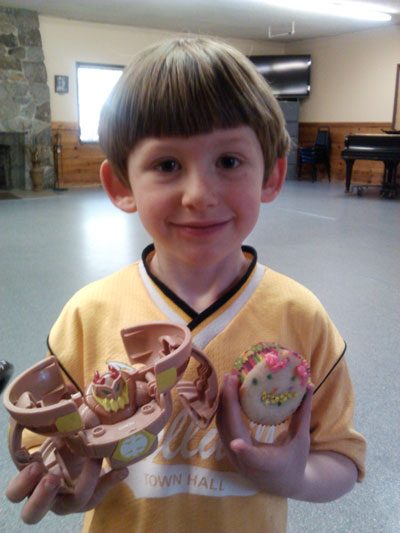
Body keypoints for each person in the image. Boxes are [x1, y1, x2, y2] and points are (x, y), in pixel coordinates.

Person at [6, 37, 366, 532]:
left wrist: (295, 477)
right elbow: (47, 449)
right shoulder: (88, 314)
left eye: (229, 162)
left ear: (271, 176)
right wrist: (63, 486)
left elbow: (342, 460)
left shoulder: (300, 317)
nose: (199, 194)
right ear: (122, 187)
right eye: (168, 165)